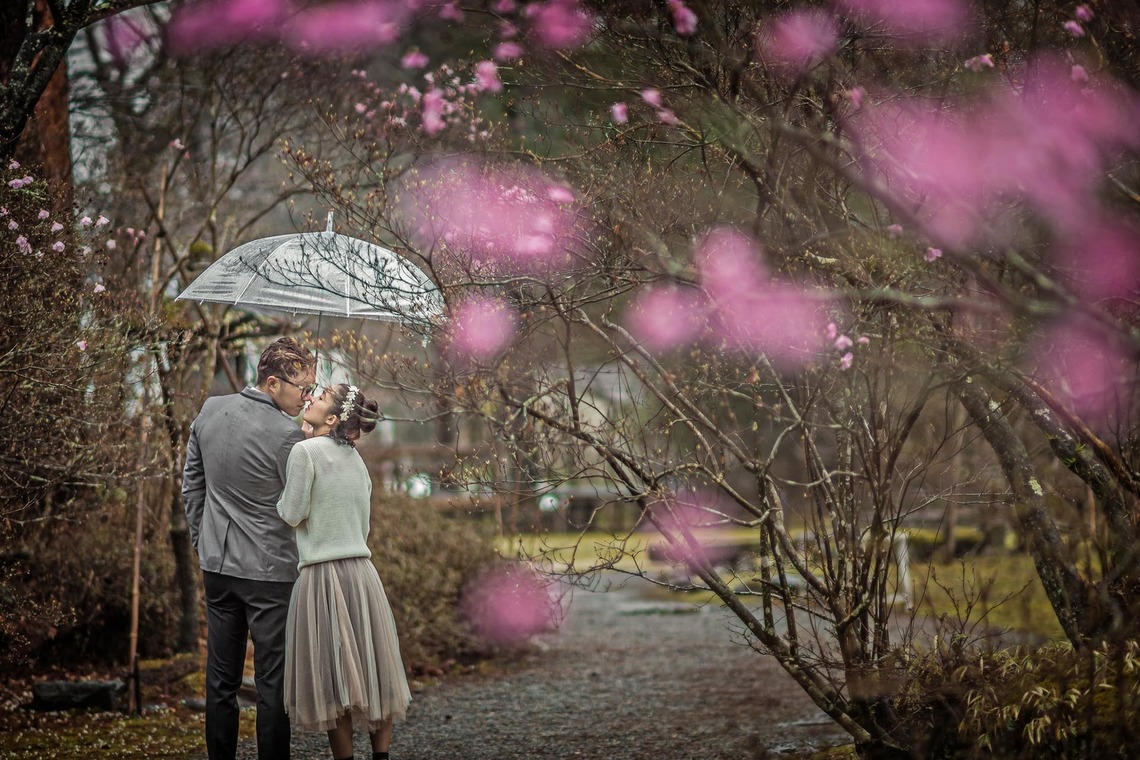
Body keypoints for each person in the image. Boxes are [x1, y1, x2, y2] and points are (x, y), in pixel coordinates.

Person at [182, 336, 318, 760]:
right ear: (273, 383)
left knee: (220, 680)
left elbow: (192, 486)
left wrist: (202, 539)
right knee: (271, 683)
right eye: (302, 388)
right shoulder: (289, 437)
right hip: (271, 575)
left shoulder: (209, 410)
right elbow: (302, 506)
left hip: (218, 566)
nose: (308, 396)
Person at [277, 383, 411, 760]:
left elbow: (291, 513)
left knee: (333, 680)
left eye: (318, 399)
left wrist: (302, 449)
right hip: (362, 574)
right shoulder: (357, 460)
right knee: (374, 671)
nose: (309, 399)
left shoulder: (303, 452)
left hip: (322, 576)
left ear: (332, 418)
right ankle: (381, 756)